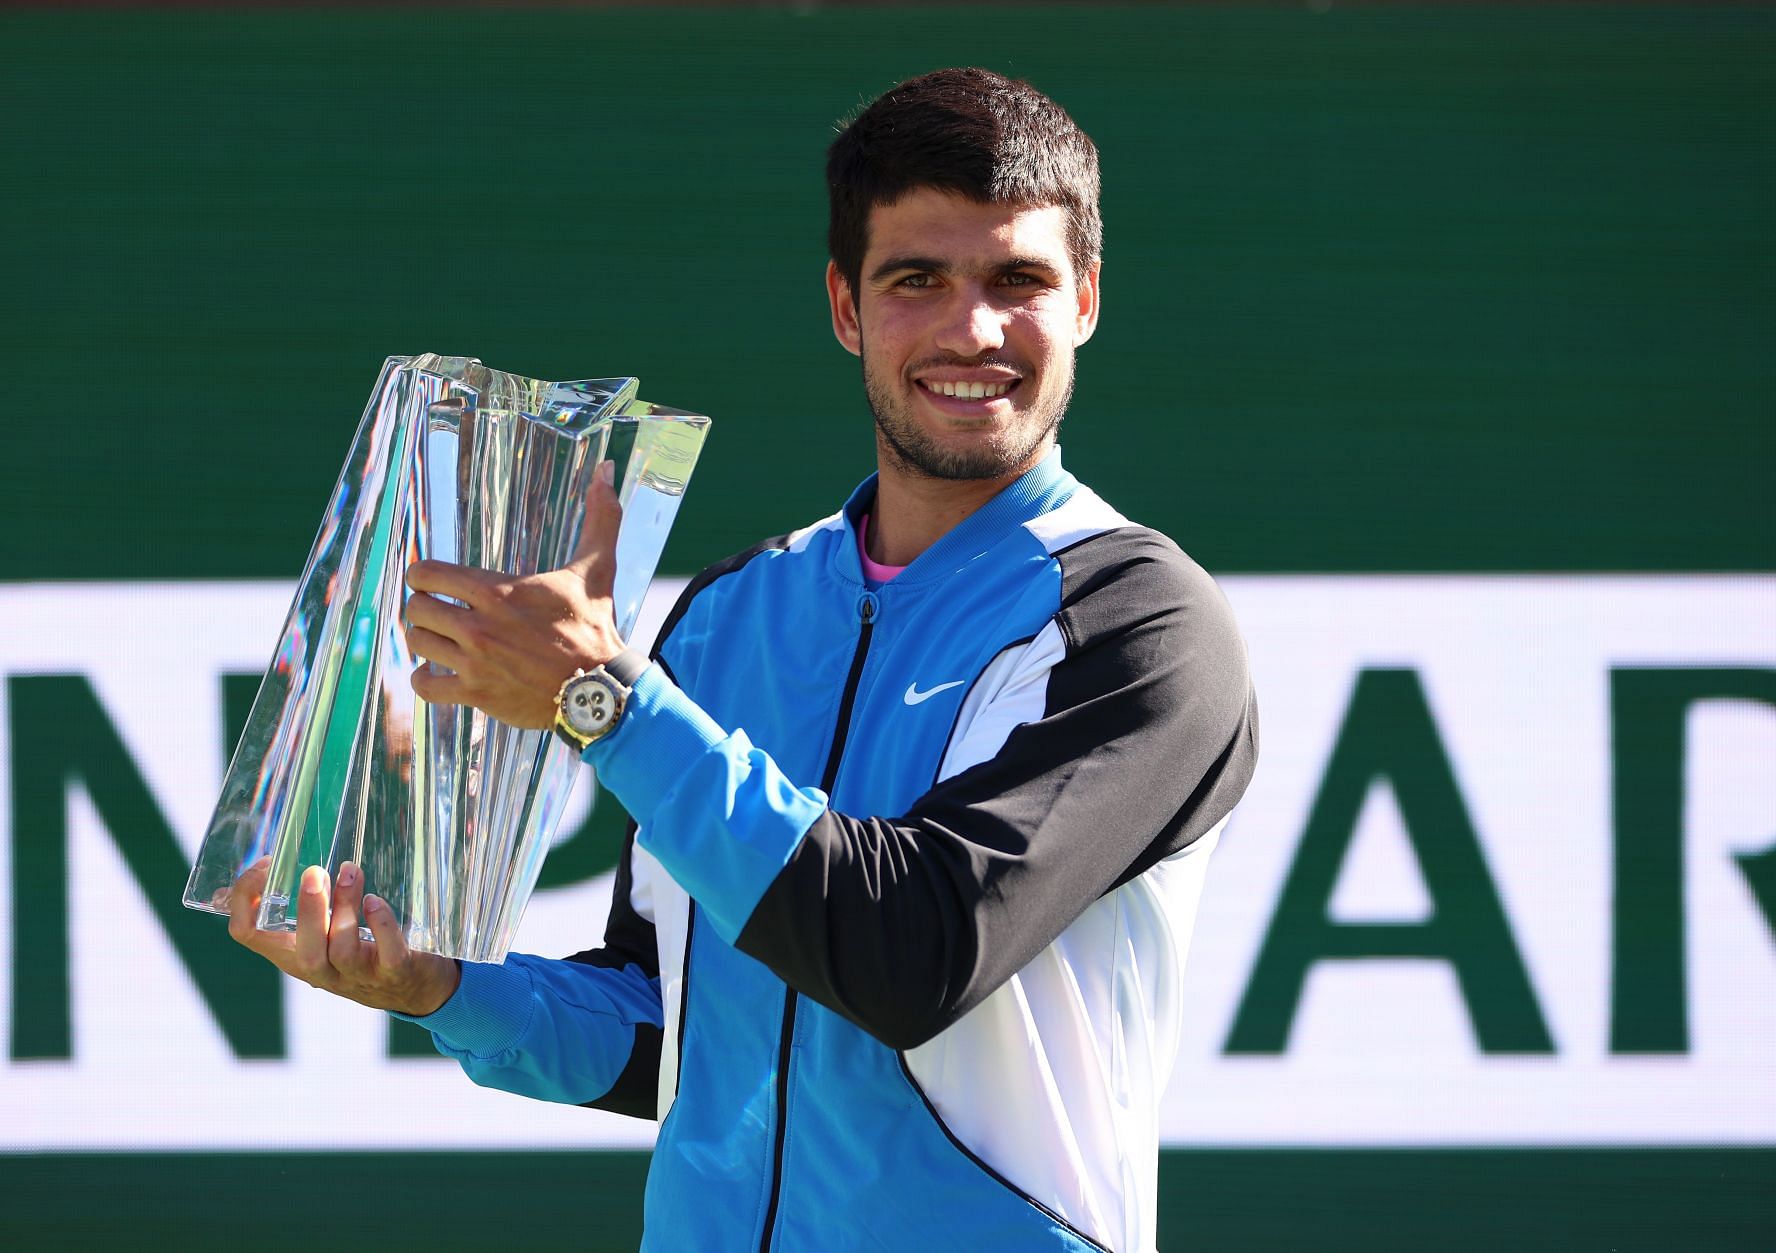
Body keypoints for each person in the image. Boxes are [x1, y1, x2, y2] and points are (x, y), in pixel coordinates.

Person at [229, 67, 1258, 1253]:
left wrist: (604, 700)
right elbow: (672, 1027)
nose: (970, 328)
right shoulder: (729, 613)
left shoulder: (1143, 621)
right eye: (915, 279)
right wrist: (446, 987)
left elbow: (912, 954)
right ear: (844, 306)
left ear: (1083, 297)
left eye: (1016, 279)